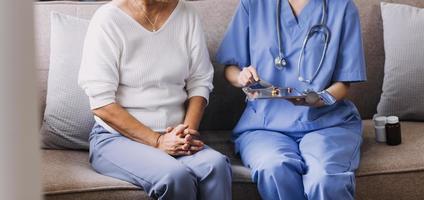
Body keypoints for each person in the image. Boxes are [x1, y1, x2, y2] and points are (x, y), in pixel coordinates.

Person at [78, 0, 232, 199]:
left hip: (176, 133)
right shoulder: (107, 20)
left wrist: (186, 134)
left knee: (216, 166)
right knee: (175, 176)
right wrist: (157, 141)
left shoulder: (187, 14)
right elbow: (101, 103)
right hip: (116, 138)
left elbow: (200, 81)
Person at [216, 0, 366, 199]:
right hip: (264, 124)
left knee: (324, 178)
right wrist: (242, 77)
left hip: (326, 123)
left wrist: (319, 99)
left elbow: (344, 82)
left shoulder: (342, 7)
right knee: (274, 168)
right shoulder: (253, 4)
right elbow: (230, 68)